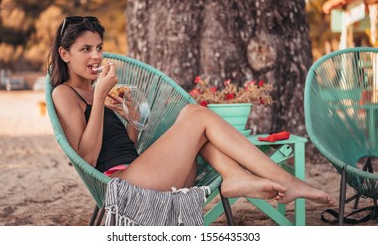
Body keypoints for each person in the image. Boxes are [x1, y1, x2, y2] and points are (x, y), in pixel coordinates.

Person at [47, 15, 335, 206]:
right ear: (64, 54)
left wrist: (130, 115)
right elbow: (85, 159)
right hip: (121, 187)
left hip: (146, 176)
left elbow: (126, 147)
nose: (97, 56)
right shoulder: (64, 93)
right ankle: (283, 180)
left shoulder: (97, 91)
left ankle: (234, 174)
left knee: (196, 122)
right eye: (85, 49)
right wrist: (98, 99)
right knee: (195, 116)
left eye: (99, 47)